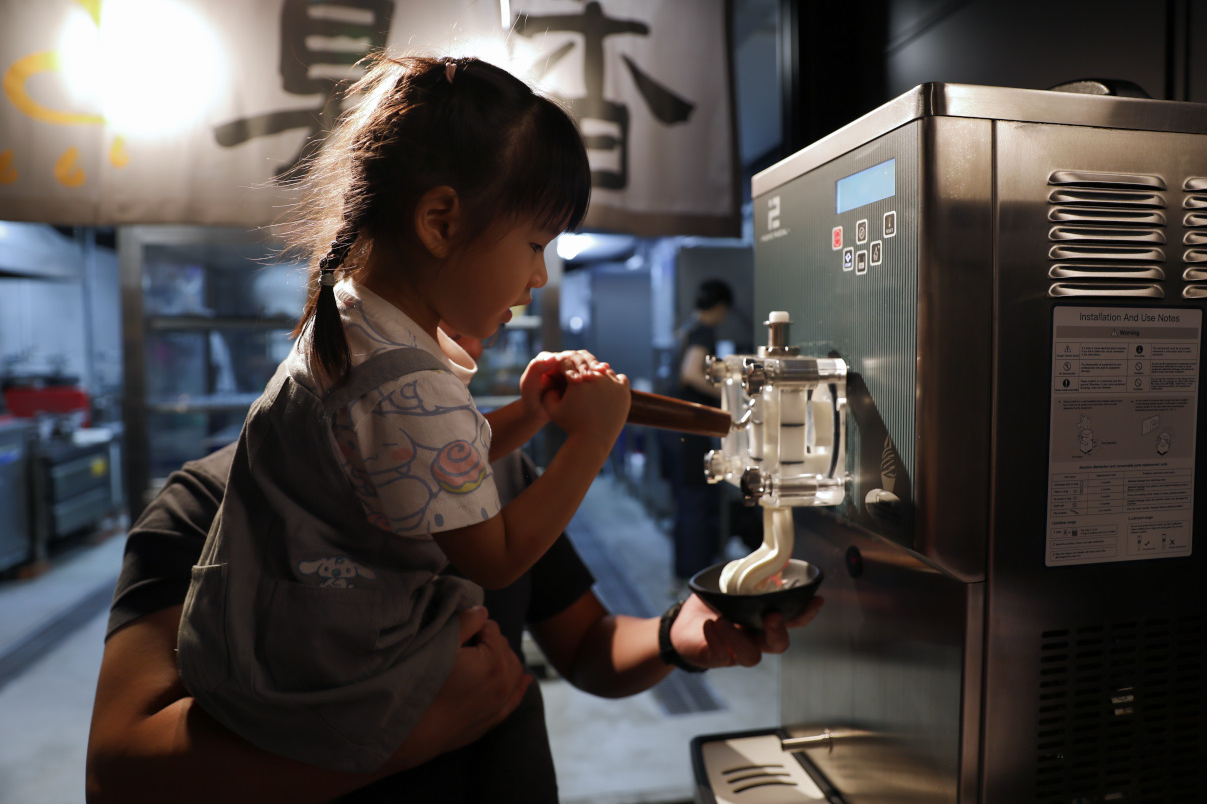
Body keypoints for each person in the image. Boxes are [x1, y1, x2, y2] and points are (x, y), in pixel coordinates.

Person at [85, 322, 824, 803]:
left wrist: (676, 633)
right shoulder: (205, 508)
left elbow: (589, 646)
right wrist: (405, 736)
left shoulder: (495, 475)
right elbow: (120, 769)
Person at [174, 53, 633, 775]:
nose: (539, 274)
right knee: (485, 640)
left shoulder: (357, 321)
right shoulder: (399, 378)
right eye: (535, 244)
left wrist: (529, 413)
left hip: (259, 640)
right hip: (319, 674)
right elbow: (498, 553)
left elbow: (444, 465)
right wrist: (593, 437)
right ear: (440, 221)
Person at [669, 279, 735, 585]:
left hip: (675, 426)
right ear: (720, 307)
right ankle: (696, 575)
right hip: (690, 427)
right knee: (695, 501)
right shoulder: (704, 332)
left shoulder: (687, 326)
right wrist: (726, 391)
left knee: (686, 502)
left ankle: (684, 571)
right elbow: (690, 372)